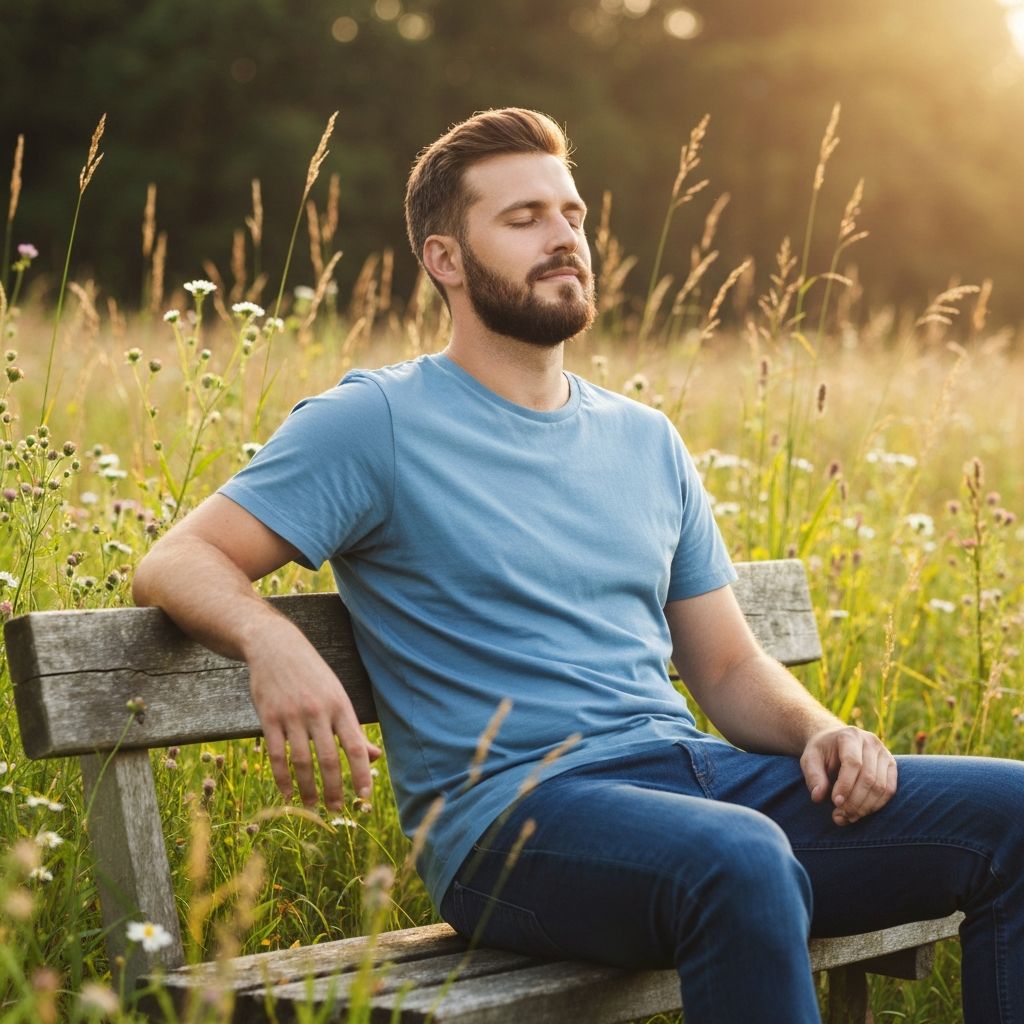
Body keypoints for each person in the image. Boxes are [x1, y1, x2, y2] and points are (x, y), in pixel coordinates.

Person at [133, 108, 1024, 1024]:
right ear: (445, 259)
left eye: (572, 214)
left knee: (1015, 816)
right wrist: (268, 641)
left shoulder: (645, 438)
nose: (563, 237)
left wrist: (819, 733)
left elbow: (723, 666)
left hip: (694, 783)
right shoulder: (377, 422)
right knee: (740, 858)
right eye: (522, 219)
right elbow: (179, 558)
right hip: (516, 825)